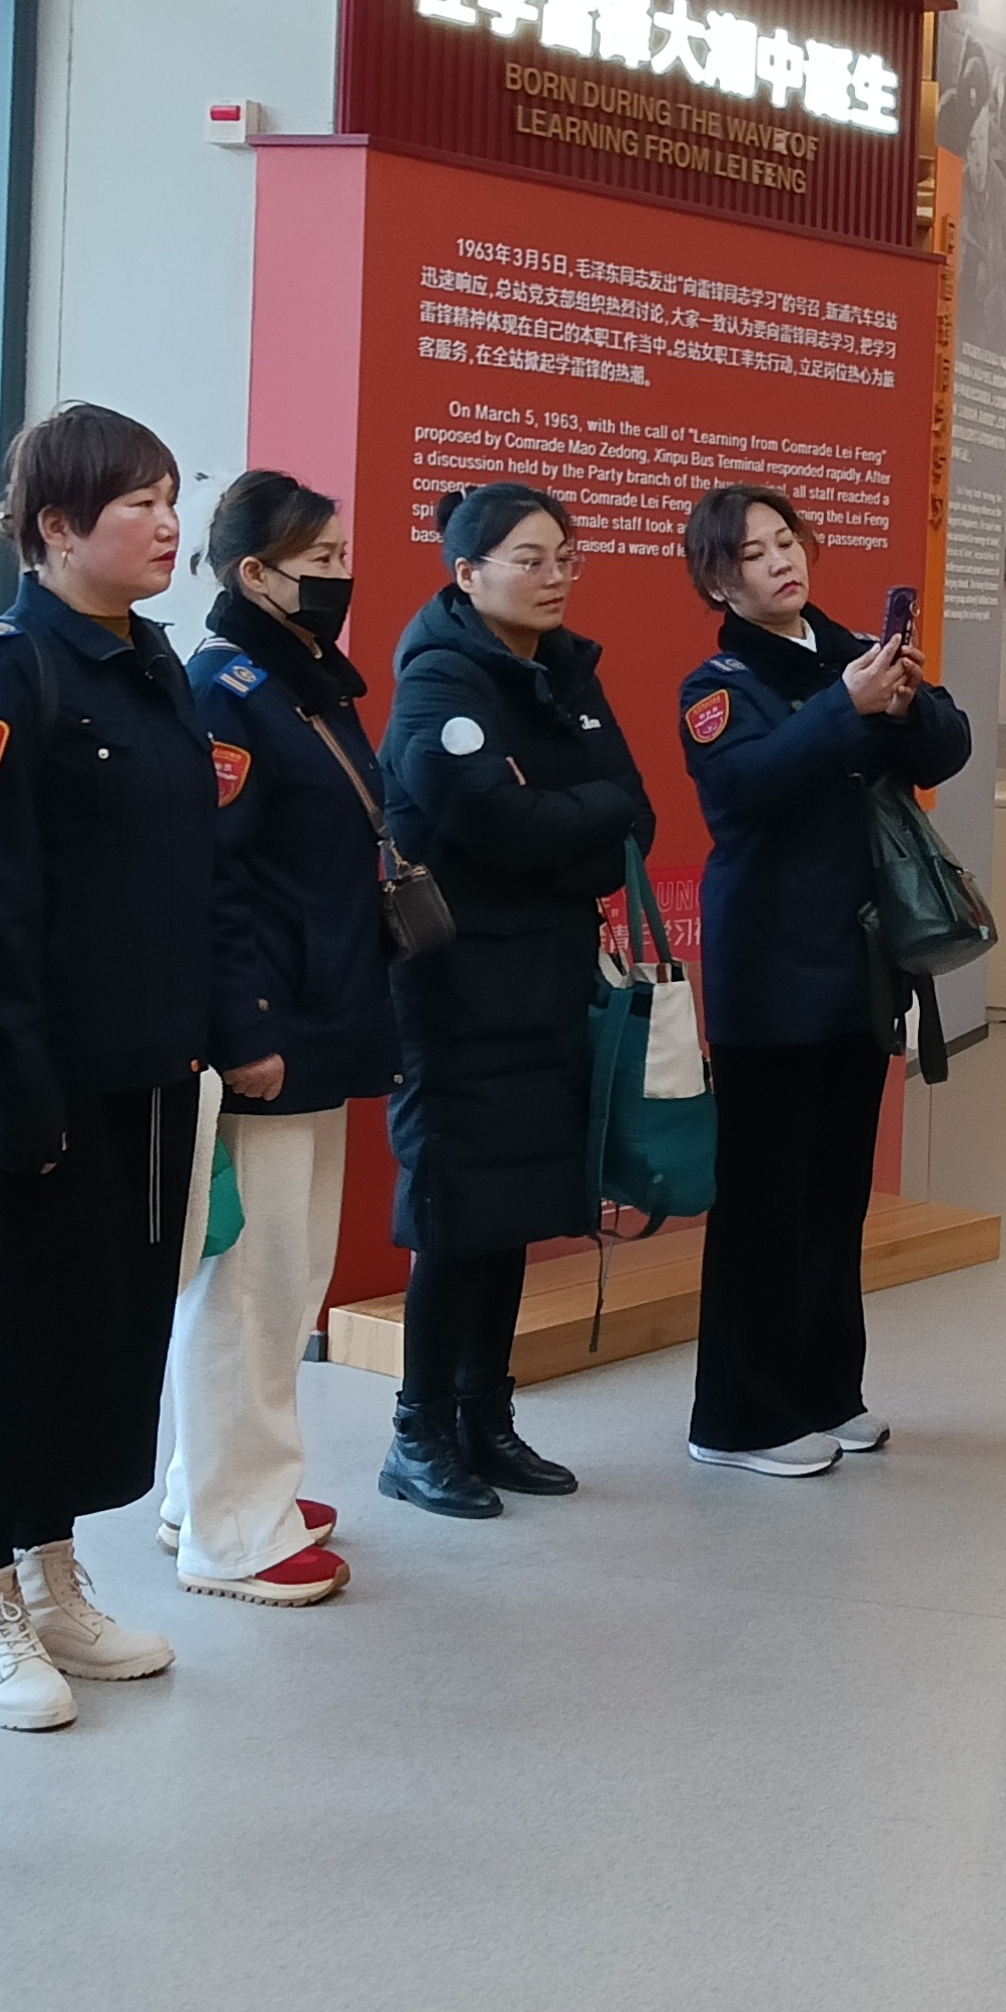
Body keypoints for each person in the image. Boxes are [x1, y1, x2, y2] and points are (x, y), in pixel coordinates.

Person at [0, 403, 214, 1730]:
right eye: (137, 503)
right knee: (1, 1342)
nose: (166, 525)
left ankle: (53, 1572)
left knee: (99, 1336)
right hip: (29, 1082)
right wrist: (13, 1081)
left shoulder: (152, 667)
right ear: (53, 527)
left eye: (169, 498)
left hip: (143, 1070)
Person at [672, 485, 972, 1477]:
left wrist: (909, 699)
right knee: (764, 1198)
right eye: (753, 554)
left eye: (786, 541)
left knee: (838, 1191)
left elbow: (947, 749)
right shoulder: (716, 684)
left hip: (862, 962)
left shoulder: (851, 650)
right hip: (771, 969)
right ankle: (737, 1419)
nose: (781, 562)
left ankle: (824, 1388)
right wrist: (846, 707)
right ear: (719, 582)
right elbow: (743, 787)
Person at [379, 482, 653, 1515]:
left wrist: (560, 825)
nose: (554, 578)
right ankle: (417, 1432)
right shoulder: (437, 680)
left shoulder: (565, 670)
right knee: (458, 1207)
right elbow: (488, 822)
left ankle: (485, 1418)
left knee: (519, 1205)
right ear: (467, 573)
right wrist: (573, 825)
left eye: (564, 558)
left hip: (546, 972)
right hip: (457, 982)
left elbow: (636, 816)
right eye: (530, 559)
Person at [162, 469, 386, 1606]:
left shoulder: (303, 683)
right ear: (254, 573)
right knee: (248, 1289)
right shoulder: (227, 689)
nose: (340, 575)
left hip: (325, 1019)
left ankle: (204, 1488)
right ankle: (235, 1528)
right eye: (319, 560)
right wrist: (243, 1028)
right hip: (272, 1037)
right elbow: (216, 880)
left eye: (344, 553)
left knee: (287, 1278)